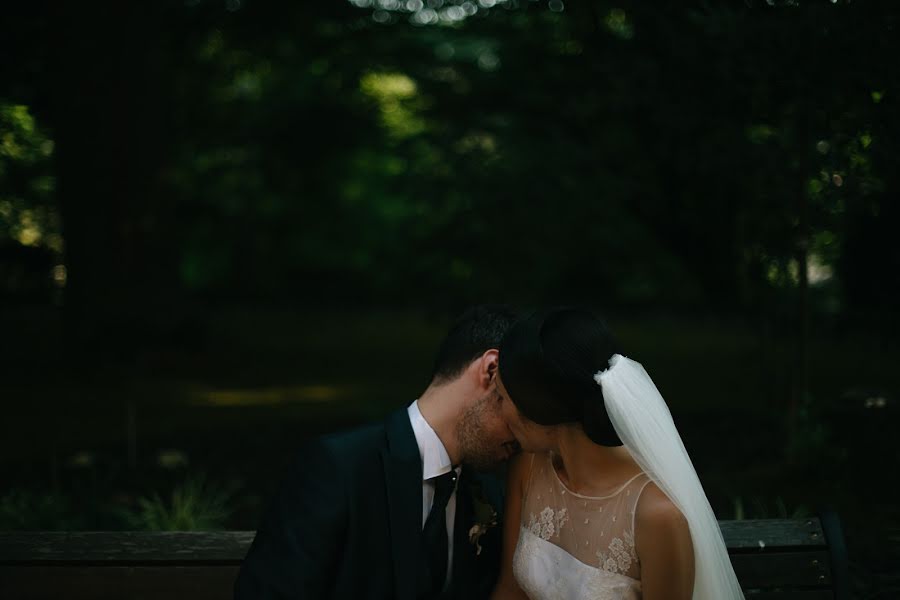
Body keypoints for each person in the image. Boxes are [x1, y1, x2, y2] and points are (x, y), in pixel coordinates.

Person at [235, 305, 521, 600]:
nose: (528, 432)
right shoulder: (338, 468)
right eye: (527, 407)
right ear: (491, 370)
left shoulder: (489, 495)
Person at [490, 308, 744, 600]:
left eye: (502, 397)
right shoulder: (528, 467)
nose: (499, 410)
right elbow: (510, 590)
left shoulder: (657, 517)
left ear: (538, 408)